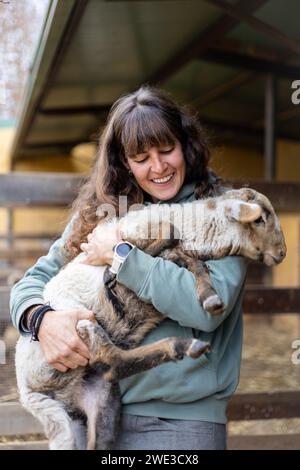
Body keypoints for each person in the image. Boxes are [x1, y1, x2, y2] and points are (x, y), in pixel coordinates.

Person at [10, 86, 247, 450]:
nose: (158, 167)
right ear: (124, 162)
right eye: (141, 157)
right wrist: (39, 319)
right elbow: (34, 280)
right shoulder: (101, 212)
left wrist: (122, 257)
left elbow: (207, 311)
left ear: (187, 144)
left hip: (180, 423)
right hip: (94, 409)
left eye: (167, 149)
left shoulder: (219, 214)